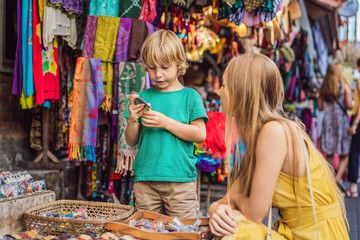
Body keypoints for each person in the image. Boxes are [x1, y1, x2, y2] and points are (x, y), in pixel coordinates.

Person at [209, 54, 348, 239]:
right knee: (228, 223)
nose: (218, 92)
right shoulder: (263, 133)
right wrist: (215, 210)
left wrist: (228, 205)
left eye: (224, 85)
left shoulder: (273, 132)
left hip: (317, 235)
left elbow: (254, 212)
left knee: (234, 227)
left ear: (242, 91)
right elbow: (228, 199)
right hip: (302, 232)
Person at [124, 30, 208, 218]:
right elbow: (131, 141)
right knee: (147, 232)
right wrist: (132, 120)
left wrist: (166, 123)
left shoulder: (190, 97)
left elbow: (199, 135)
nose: (158, 74)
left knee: (183, 233)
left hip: (179, 181)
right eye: (152, 68)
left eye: (164, 67)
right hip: (146, 180)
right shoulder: (143, 97)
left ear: (179, 65)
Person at [317, 62, 352, 194]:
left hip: (328, 124)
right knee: (345, 153)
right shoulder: (344, 87)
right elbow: (349, 106)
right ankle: (338, 179)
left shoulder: (323, 88)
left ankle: (331, 180)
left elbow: (320, 107)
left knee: (330, 153)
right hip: (341, 124)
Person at [347, 58, 360, 198]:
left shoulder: (359, 81)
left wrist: (355, 124)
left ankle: (353, 187)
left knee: (354, 153)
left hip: (358, 120)